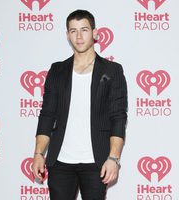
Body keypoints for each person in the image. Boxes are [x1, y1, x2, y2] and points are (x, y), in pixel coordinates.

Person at [32, 9, 128, 200]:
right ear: (67, 35)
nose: (79, 36)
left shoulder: (111, 70)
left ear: (95, 33)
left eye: (84, 30)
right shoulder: (57, 70)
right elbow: (47, 115)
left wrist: (113, 158)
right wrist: (38, 153)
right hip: (60, 163)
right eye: (73, 31)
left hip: (96, 162)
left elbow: (118, 117)